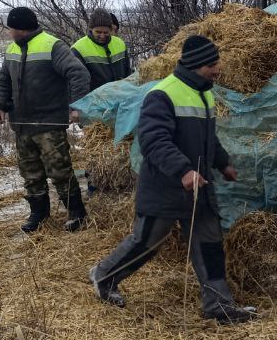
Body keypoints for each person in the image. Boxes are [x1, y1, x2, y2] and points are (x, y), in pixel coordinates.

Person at [88, 35, 254, 325]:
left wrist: (223, 162)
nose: (218, 69)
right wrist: (182, 171)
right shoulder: (163, 94)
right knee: (147, 242)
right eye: (213, 64)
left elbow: (207, 138)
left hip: (199, 188)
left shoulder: (205, 94)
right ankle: (104, 276)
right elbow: (153, 141)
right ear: (196, 64)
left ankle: (219, 305)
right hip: (165, 188)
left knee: (210, 243)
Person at [0, 6, 91, 232]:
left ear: (20, 29)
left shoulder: (52, 45)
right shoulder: (12, 49)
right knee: (30, 173)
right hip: (22, 124)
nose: (9, 32)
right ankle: (39, 214)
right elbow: (3, 80)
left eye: (11, 28)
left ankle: (76, 213)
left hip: (49, 123)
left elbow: (79, 73)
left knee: (59, 170)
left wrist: (77, 106)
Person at [71, 8, 133, 196]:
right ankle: (94, 188)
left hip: (120, 105)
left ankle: (120, 186)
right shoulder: (78, 49)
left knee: (121, 146)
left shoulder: (120, 44)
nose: (103, 36)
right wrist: (76, 107)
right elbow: (74, 80)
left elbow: (128, 74)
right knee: (96, 149)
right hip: (93, 107)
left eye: (106, 32)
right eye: (98, 32)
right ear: (90, 29)